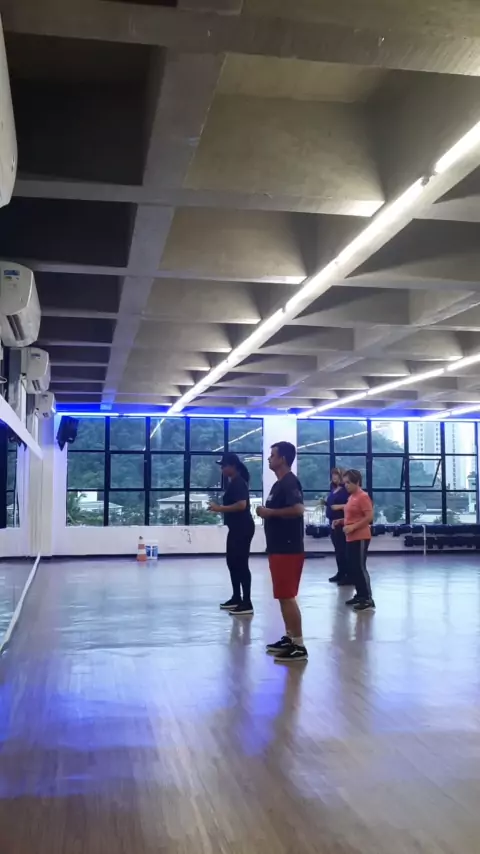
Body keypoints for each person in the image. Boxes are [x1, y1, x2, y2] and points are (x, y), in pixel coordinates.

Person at [256, 441, 307, 662]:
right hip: (277, 547)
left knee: (287, 596)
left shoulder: (289, 482)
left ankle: (299, 645)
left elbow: (298, 509)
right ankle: (289, 637)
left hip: (288, 548)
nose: (269, 458)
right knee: (282, 596)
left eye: (273, 455)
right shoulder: (279, 484)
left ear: (283, 459)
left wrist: (269, 513)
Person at [208, 453, 255, 616]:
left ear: (233, 466)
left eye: (224, 466)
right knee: (232, 562)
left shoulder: (239, 482)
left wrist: (220, 508)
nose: (222, 469)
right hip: (235, 528)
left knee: (241, 564)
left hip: (243, 528)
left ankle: (247, 602)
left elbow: (242, 505)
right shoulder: (233, 482)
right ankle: (236, 597)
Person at [333, 469, 375, 612]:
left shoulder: (363, 497)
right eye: (345, 483)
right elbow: (352, 516)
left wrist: (353, 527)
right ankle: (360, 595)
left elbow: (369, 517)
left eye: (349, 483)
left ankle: (367, 598)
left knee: (359, 567)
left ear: (357, 482)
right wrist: (341, 521)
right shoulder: (352, 497)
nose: (346, 485)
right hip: (350, 537)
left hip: (361, 536)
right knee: (352, 567)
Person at [324, 467, 352, 586]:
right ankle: (340, 572)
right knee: (338, 549)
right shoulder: (333, 489)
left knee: (343, 549)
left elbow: (351, 504)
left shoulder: (346, 490)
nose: (334, 477)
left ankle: (348, 575)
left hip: (342, 522)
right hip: (332, 522)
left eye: (336, 475)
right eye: (333, 475)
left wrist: (339, 507)